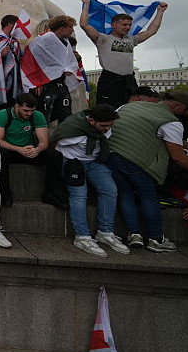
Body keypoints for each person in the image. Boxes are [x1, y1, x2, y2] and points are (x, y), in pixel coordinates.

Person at [106, 90, 188, 251]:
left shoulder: (127, 107)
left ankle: (134, 234)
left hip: (112, 156)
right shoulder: (171, 122)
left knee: (125, 194)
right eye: (185, 110)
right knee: (148, 197)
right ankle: (156, 239)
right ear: (177, 106)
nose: (185, 114)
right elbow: (177, 156)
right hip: (137, 161)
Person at [49, 104, 131, 257]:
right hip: (73, 161)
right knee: (79, 195)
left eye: (110, 126)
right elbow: (55, 142)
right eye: (104, 126)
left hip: (94, 162)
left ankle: (105, 232)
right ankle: (82, 236)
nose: (107, 129)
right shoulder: (72, 129)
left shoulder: (103, 129)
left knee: (110, 190)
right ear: (92, 121)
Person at [79, 0, 168, 108]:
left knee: (131, 110)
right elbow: (84, 25)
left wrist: (160, 12)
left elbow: (152, 31)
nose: (128, 28)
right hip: (110, 81)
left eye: (130, 25)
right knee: (107, 111)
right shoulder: (103, 39)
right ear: (113, 25)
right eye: (124, 25)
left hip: (129, 81)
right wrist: (86, 4)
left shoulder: (131, 40)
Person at [0, 93, 66, 209]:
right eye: (26, 110)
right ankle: (5, 195)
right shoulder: (2, 115)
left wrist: (37, 149)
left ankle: (50, 194)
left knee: (55, 155)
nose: (29, 114)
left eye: (32, 111)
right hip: (10, 151)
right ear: (17, 106)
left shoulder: (37, 116)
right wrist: (18, 149)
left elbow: (44, 142)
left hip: (29, 150)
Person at [25, 16, 79, 125]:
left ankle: (63, 140)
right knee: (43, 116)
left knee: (65, 114)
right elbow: (30, 61)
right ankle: (40, 140)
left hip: (60, 84)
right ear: (62, 27)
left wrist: (69, 69)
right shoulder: (42, 40)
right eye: (70, 27)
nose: (72, 30)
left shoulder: (66, 42)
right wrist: (36, 82)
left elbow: (70, 61)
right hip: (45, 85)